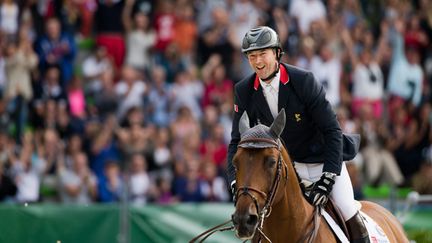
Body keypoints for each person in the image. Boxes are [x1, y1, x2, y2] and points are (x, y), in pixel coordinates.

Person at [227, 26, 369, 243]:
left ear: (276, 53)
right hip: (286, 172)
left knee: (349, 211)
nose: (257, 62)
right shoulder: (244, 90)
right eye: (252, 56)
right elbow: (237, 141)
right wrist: (235, 183)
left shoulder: (303, 81)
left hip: (323, 162)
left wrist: (329, 177)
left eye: (262, 54)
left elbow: (332, 131)